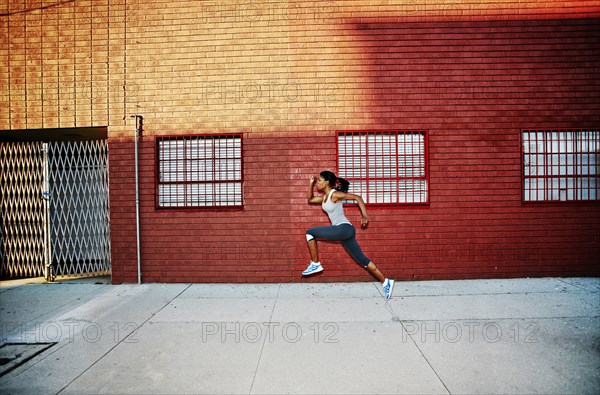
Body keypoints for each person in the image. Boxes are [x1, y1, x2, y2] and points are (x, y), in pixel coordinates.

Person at [303, 170, 395, 300]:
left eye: (320, 180)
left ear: (327, 182)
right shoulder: (324, 198)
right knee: (363, 261)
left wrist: (365, 216)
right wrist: (311, 184)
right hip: (344, 232)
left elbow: (358, 198)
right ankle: (386, 282)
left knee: (310, 233)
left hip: (344, 228)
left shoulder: (335, 195)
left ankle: (315, 263)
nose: (318, 182)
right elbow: (310, 199)